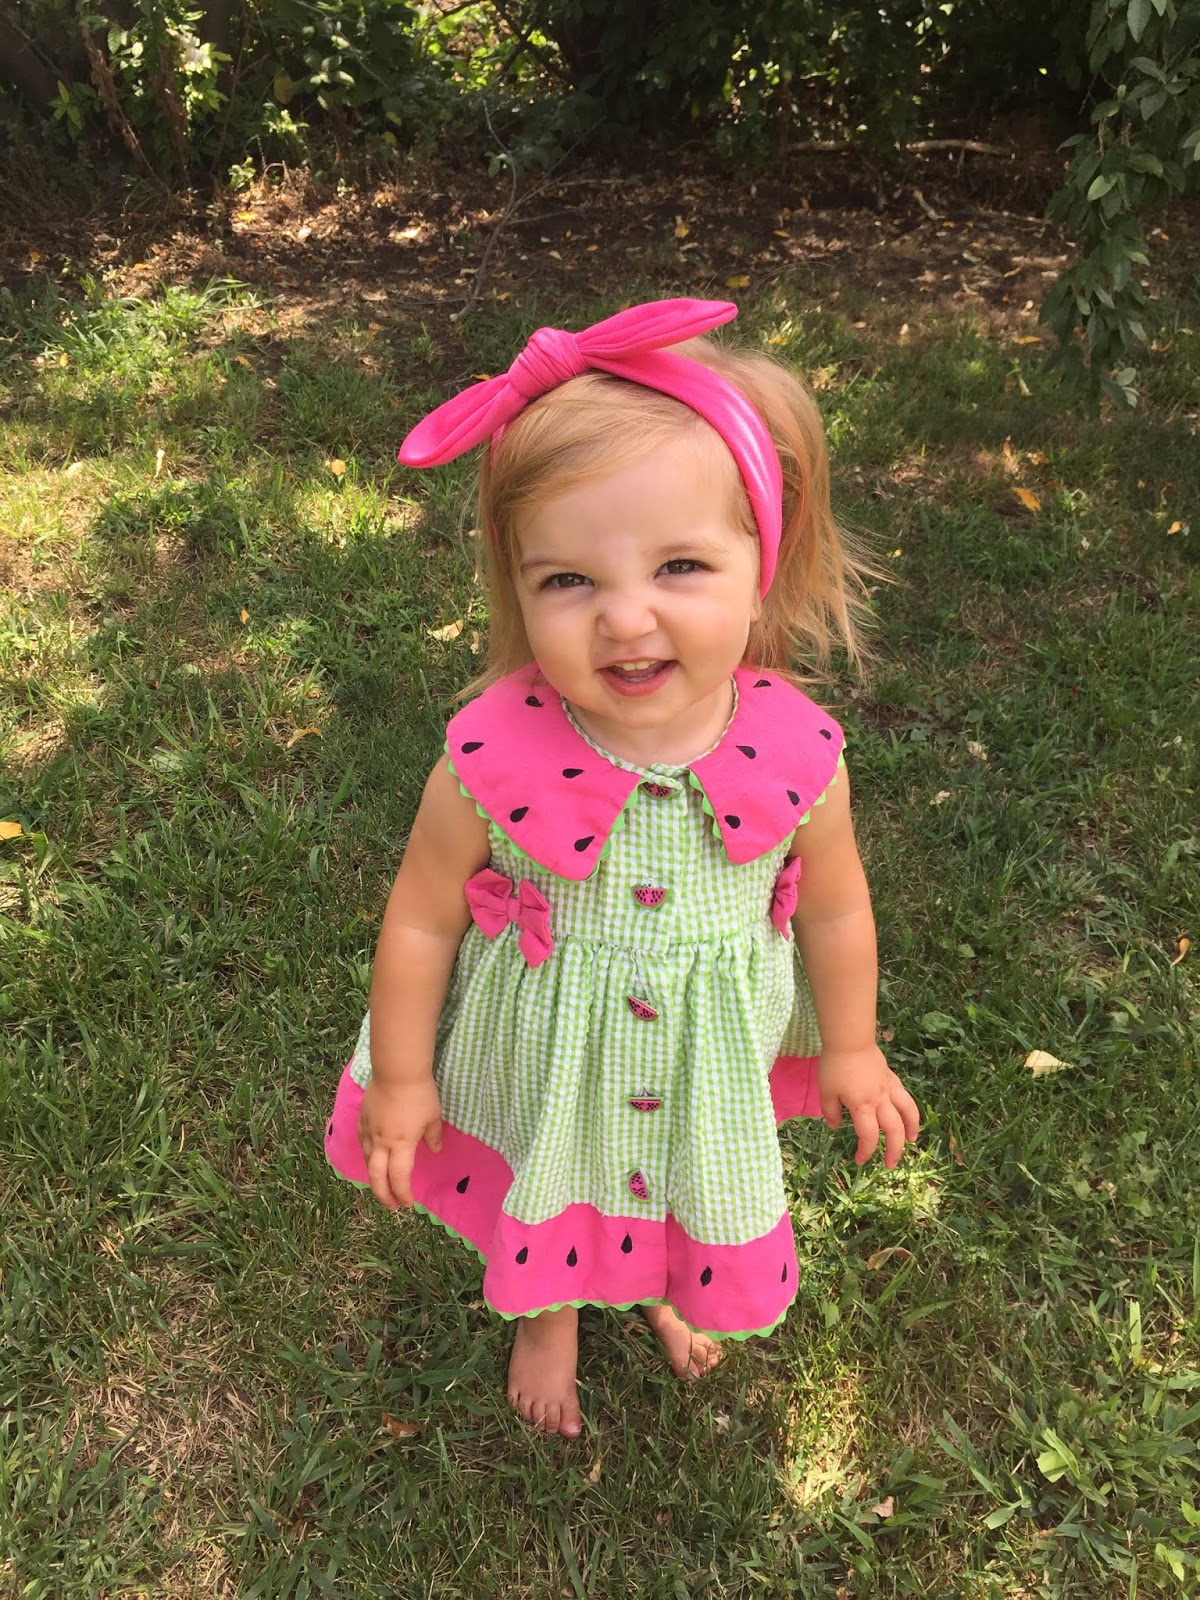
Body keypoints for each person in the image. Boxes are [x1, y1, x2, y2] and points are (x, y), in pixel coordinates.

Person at [324, 298, 920, 1439]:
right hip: (548, 1051)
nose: (625, 617)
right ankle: (546, 1312)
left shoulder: (800, 757)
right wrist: (400, 1076)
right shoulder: (487, 761)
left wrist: (851, 1043)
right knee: (556, 1167)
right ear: (517, 587)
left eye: (680, 565)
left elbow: (838, 912)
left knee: (676, 1165)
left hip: (702, 1054)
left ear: (763, 562)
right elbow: (421, 920)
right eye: (568, 581)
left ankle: (656, 1284)